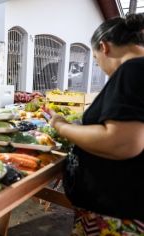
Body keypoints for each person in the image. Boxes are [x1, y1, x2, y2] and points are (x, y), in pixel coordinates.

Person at [50, 13, 144, 235]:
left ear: (104, 47)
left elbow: (122, 143)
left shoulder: (132, 70)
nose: (99, 65)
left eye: (95, 58)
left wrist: (61, 126)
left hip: (118, 217)